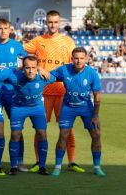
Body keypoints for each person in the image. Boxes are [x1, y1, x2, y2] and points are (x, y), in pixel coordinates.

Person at [23, 10, 82, 173]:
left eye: (56, 22)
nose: (53, 25)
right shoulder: (38, 41)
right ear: (46, 23)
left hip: (64, 93)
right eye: (50, 22)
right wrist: (37, 67)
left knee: (67, 128)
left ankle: (72, 162)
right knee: (40, 128)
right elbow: (21, 52)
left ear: (59, 23)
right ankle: (38, 161)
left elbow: (75, 66)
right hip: (43, 93)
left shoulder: (69, 42)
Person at [50, 47, 105, 177]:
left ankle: (97, 167)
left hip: (87, 108)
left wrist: (95, 115)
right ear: (72, 59)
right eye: (76, 58)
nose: (78, 61)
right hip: (68, 107)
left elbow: (97, 95)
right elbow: (50, 75)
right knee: (63, 135)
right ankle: (57, 167)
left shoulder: (92, 73)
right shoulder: (64, 69)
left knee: (96, 134)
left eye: (81, 58)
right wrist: (40, 70)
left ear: (86, 59)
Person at [0, 18, 27, 172]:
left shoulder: (17, 45)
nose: (3, 31)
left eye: (5, 28)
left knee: (17, 129)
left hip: (13, 92)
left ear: (10, 29)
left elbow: (26, 64)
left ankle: (20, 162)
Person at [6, 55, 55, 176]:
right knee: (15, 135)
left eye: (33, 67)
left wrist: (41, 69)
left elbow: (54, 77)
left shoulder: (43, 77)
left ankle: (42, 166)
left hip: (37, 108)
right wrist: (14, 69)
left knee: (42, 134)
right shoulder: (14, 77)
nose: (30, 70)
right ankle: (13, 166)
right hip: (18, 108)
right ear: (23, 68)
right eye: (27, 67)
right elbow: (1, 73)